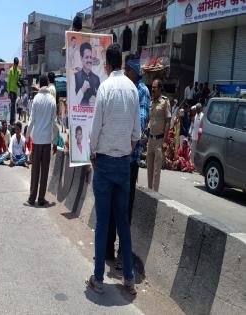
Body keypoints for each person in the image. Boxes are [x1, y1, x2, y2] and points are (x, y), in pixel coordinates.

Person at [87, 43, 140, 295]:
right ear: (122, 63)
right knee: (123, 223)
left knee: (103, 222)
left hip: (105, 163)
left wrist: (93, 150)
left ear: (107, 64)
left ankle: (98, 279)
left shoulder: (105, 88)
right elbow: (136, 133)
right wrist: (126, 150)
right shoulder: (133, 89)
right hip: (124, 165)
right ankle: (129, 278)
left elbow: (95, 128)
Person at [106, 54, 150, 268]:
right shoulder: (123, 87)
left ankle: (123, 254)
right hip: (116, 156)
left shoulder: (140, 91)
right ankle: (107, 249)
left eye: (128, 71)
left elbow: (139, 124)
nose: (125, 74)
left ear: (133, 72)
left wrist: (125, 145)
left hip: (129, 160)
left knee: (124, 208)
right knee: (111, 205)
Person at [25, 74, 58, 206]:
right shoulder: (52, 100)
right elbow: (55, 123)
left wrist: (27, 137)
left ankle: (32, 198)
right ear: (48, 84)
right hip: (47, 141)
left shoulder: (36, 99)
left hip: (37, 139)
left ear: (39, 84)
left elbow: (31, 120)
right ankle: (41, 198)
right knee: (44, 171)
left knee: (35, 170)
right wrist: (55, 141)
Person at [147, 79, 171, 192]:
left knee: (156, 171)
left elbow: (168, 121)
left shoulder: (165, 102)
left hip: (159, 141)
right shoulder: (151, 102)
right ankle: (149, 192)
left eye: (155, 87)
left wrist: (165, 140)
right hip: (150, 140)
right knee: (149, 169)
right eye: (152, 87)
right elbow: (150, 119)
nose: (152, 89)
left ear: (160, 88)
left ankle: (154, 195)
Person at [75, 42, 100, 106]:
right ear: (81, 58)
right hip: (79, 115)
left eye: (91, 57)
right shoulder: (75, 77)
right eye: (86, 57)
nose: (89, 60)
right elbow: (73, 102)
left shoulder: (96, 79)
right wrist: (82, 90)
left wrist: (96, 100)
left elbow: (101, 101)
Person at [7, 57, 20, 125]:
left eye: (17, 65)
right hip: (11, 90)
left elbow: (18, 80)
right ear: (13, 63)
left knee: (14, 105)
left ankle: (13, 119)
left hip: (15, 90)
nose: (16, 66)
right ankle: (12, 120)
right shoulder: (10, 70)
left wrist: (20, 83)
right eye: (15, 64)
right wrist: (8, 92)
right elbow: (8, 82)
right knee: (12, 105)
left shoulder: (18, 71)